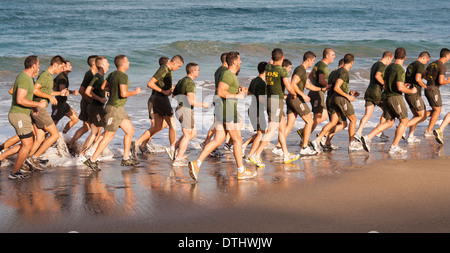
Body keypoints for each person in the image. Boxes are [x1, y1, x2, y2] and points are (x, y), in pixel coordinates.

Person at [188, 51, 256, 180]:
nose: (241, 62)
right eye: (240, 60)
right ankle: (241, 171)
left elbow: (226, 90)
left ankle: (197, 163)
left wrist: (240, 91)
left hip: (222, 111)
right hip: (228, 111)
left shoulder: (229, 75)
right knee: (237, 140)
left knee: (218, 140)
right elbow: (220, 91)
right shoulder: (228, 75)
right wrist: (237, 96)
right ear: (234, 61)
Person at [84, 55, 141, 171]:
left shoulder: (112, 74)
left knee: (130, 131)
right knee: (109, 135)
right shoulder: (122, 76)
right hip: (113, 109)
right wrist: (135, 92)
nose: (129, 62)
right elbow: (124, 94)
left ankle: (125, 158)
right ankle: (92, 160)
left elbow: (103, 86)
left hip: (119, 109)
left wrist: (113, 91)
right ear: (123, 64)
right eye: (127, 61)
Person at [247, 48, 300, 167]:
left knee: (282, 128)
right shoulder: (282, 70)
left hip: (272, 99)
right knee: (272, 130)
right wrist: (294, 93)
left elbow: (270, 62)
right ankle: (256, 155)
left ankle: (286, 154)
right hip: (276, 100)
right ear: (282, 57)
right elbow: (288, 86)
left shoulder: (268, 68)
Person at [361, 47, 417, 155]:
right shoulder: (400, 69)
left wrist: (402, 85)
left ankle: (368, 137)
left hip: (385, 96)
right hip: (395, 97)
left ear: (394, 56)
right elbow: (400, 88)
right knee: (404, 121)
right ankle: (394, 147)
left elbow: (387, 84)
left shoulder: (388, 67)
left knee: (390, 122)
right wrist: (411, 91)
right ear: (405, 57)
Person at [131, 55, 184, 160]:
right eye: (178, 66)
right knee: (173, 125)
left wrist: (169, 90)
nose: (178, 69)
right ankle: (173, 150)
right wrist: (163, 91)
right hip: (160, 99)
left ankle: (135, 144)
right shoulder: (164, 68)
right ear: (174, 63)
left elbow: (160, 86)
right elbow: (150, 83)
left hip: (156, 98)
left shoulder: (167, 71)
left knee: (158, 126)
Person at [310, 53, 360, 152]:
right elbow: (337, 88)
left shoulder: (334, 72)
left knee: (334, 122)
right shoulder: (344, 72)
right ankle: (351, 143)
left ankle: (319, 139)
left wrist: (349, 92)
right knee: (353, 120)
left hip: (331, 99)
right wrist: (348, 96)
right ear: (352, 62)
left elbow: (333, 87)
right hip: (340, 99)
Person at [7, 56, 47, 179]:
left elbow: (18, 94)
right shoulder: (25, 78)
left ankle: (15, 168)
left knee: (27, 142)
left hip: (22, 115)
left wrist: (33, 108)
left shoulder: (27, 77)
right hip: (18, 115)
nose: (39, 67)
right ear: (33, 65)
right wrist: (38, 104)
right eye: (38, 64)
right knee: (27, 144)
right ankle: (14, 172)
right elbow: (20, 99)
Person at [26, 55, 68, 171]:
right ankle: (34, 157)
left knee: (40, 137)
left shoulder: (48, 76)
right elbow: (35, 89)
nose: (62, 70)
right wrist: (49, 96)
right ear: (55, 65)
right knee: (55, 135)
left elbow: (44, 91)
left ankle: (28, 159)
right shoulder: (46, 75)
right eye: (61, 67)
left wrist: (59, 94)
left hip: (36, 108)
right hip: (39, 108)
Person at [171, 63, 209, 166]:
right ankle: (178, 159)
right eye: (198, 70)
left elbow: (173, 95)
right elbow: (191, 101)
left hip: (180, 109)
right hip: (185, 109)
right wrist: (203, 104)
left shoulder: (181, 81)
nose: (199, 71)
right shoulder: (190, 83)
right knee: (187, 135)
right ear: (192, 71)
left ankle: (172, 148)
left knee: (194, 133)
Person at [286, 51, 321, 156]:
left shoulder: (302, 70)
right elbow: (293, 84)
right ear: (308, 60)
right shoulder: (301, 70)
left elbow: (308, 85)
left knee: (290, 124)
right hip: (296, 99)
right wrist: (303, 95)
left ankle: (278, 146)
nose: (313, 63)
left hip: (290, 99)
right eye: (313, 61)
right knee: (310, 121)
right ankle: (304, 147)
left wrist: (322, 88)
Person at [355, 51, 393, 142]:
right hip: (377, 93)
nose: (390, 62)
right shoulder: (382, 66)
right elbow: (377, 76)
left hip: (369, 91)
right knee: (388, 110)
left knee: (367, 114)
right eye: (391, 60)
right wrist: (384, 84)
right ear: (388, 58)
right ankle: (380, 131)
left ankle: (358, 132)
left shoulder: (375, 64)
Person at [79, 56, 109, 158]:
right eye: (106, 63)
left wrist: (106, 94)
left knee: (97, 131)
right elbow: (87, 91)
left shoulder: (100, 77)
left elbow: (97, 91)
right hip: (95, 108)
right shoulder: (97, 77)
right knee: (97, 132)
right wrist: (100, 99)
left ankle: (88, 152)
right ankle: (85, 153)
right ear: (101, 66)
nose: (109, 65)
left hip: (96, 107)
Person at [139, 56, 170, 154]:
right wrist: (163, 91)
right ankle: (143, 144)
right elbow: (151, 84)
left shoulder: (164, 74)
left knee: (163, 125)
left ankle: (146, 142)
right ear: (167, 62)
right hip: (153, 101)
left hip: (159, 102)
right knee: (155, 125)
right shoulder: (161, 72)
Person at [68, 55, 98, 153]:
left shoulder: (93, 74)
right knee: (95, 128)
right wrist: (90, 101)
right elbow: (81, 90)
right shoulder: (89, 74)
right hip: (88, 104)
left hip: (87, 103)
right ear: (94, 63)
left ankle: (71, 144)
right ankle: (88, 152)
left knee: (86, 127)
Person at [201, 52, 228, 157]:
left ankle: (207, 142)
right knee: (220, 124)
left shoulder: (218, 70)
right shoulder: (225, 71)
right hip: (221, 99)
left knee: (217, 123)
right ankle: (214, 146)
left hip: (216, 97)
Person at [403, 51, 431, 143]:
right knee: (421, 116)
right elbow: (418, 79)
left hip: (408, 93)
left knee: (416, 116)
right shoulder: (420, 65)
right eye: (427, 61)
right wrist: (426, 86)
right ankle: (402, 127)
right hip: (414, 94)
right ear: (423, 58)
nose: (426, 63)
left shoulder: (411, 65)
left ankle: (411, 136)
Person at [243, 61, 268, 159]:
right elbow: (261, 99)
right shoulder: (261, 83)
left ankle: (244, 145)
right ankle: (250, 155)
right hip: (257, 110)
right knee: (260, 135)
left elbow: (249, 92)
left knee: (261, 132)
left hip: (252, 109)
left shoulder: (254, 80)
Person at [308, 48, 336, 134]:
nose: (334, 57)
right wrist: (329, 86)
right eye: (333, 55)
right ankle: (304, 134)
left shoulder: (318, 64)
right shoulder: (323, 66)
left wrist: (315, 86)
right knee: (317, 118)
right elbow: (321, 81)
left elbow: (310, 76)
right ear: (327, 56)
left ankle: (305, 132)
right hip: (317, 93)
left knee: (324, 116)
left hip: (316, 92)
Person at [424, 48, 450, 136]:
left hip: (427, 87)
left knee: (435, 110)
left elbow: (424, 74)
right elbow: (441, 81)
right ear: (446, 56)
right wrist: (448, 81)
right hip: (433, 89)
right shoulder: (442, 66)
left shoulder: (432, 63)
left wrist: (430, 80)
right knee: (438, 110)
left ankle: (417, 119)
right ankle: (428, 131)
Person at [51, 60, 80, 134]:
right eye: (69, 66)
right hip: (59, 104)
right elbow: (63, 91)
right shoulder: (63, 78)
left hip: (63, 103)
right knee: (53, 124)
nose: (71, 67)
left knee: (75, 119)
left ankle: (62, 135)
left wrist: (56, 90)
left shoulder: (61, 76)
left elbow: (53, 85)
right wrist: (72, 92)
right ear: (64, 68)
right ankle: (43, 139)